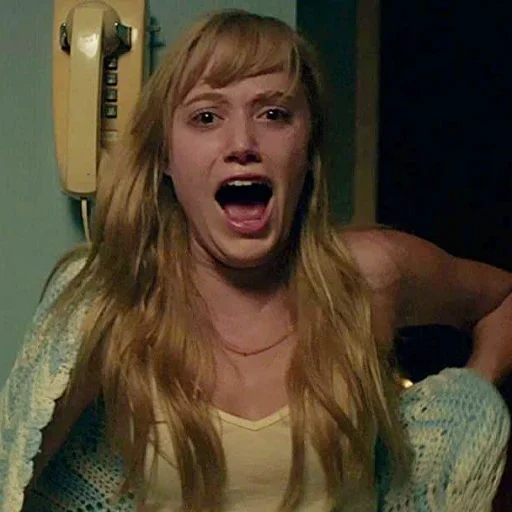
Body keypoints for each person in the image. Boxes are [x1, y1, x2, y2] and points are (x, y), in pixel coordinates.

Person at [1, 9, 511, 512]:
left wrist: (469, 408)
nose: (243, 144)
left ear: (308, 149)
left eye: (274, 115)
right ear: (165, 159)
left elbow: (502, 300)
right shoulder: (110, 302)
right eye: (206, 117)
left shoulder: (369, 276)